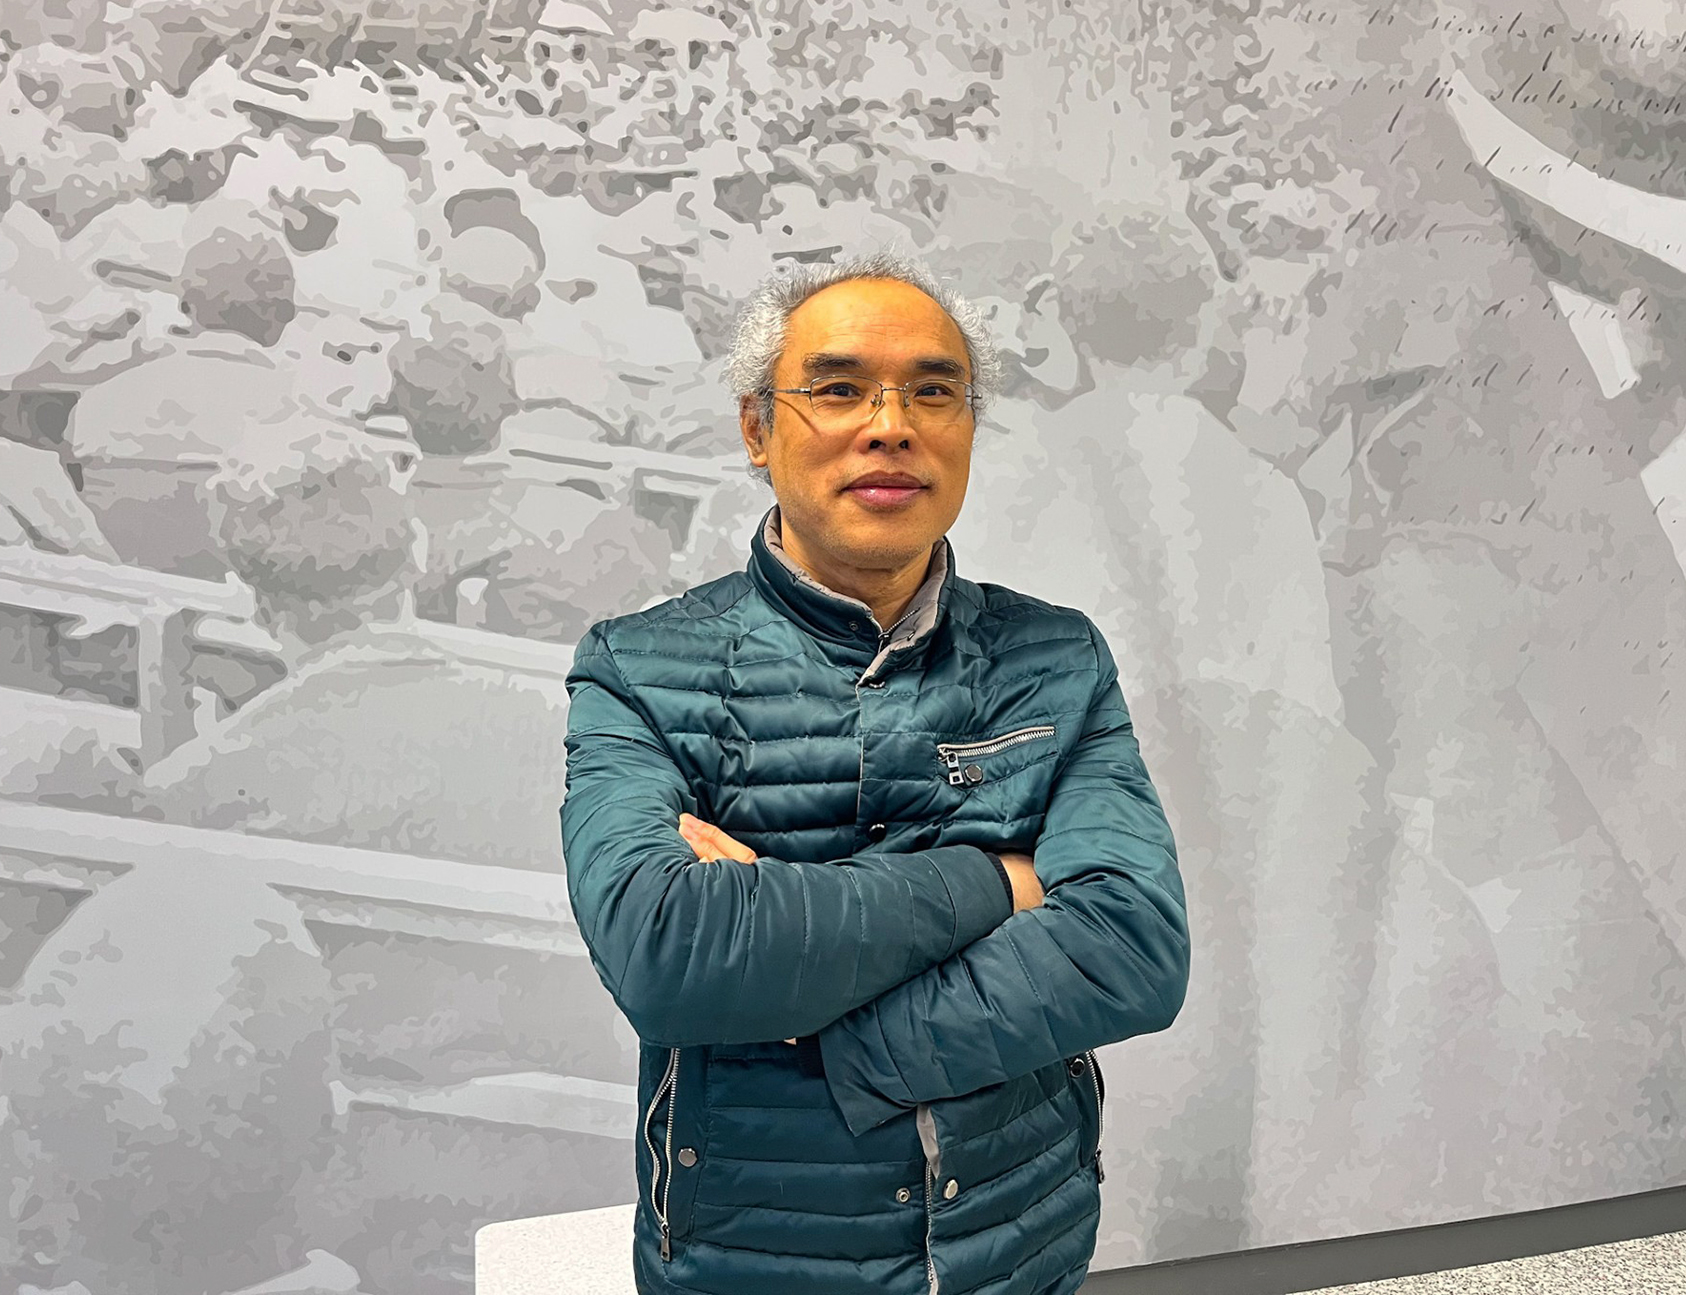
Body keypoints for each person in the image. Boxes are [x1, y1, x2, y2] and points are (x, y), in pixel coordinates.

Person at [560, 249, 1191, 1295]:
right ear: (757, 428)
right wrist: (1006, 883)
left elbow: (1133, 947)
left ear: (969, 429)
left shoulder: (1056, 654)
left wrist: (812, 1016)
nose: (890, 423)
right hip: (743, 1262)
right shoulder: (641, 664)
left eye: (933, 390)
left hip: (1020, 1244)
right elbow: (667, 952)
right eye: (839, 388)